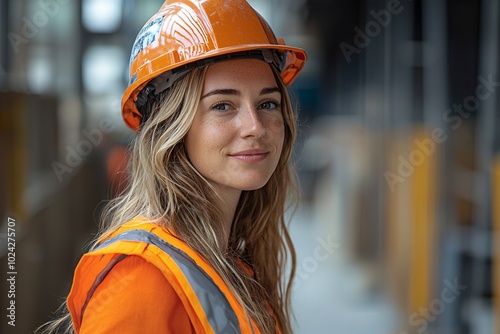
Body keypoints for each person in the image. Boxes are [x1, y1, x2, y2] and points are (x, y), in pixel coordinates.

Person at [39, 0, 306, 333]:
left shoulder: (231, 260)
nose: (255, 126)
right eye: (223, 105)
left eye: (268, 103)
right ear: (171, 128)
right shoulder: (141, 279)